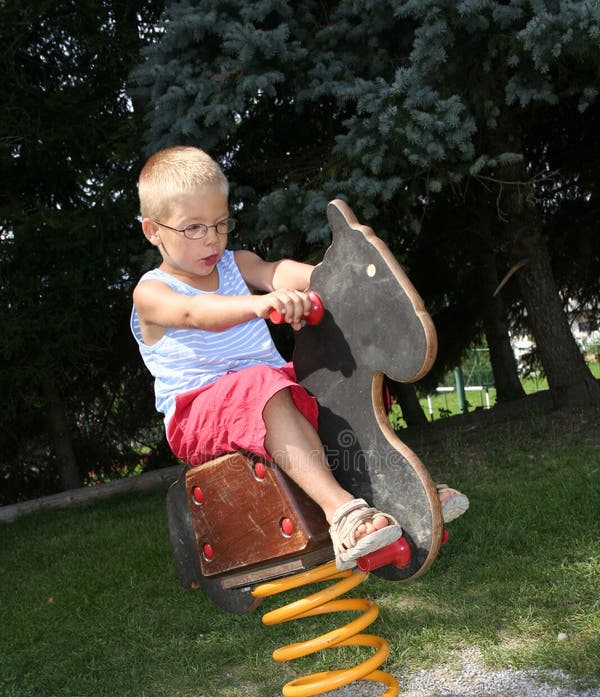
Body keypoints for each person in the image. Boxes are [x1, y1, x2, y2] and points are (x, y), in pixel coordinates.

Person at [131, 146, 468, 570]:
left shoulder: (237, 263)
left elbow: (278, 271)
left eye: (220, 224)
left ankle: (392, 489)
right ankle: (341, 514)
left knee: (338, 378)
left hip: (269, 389)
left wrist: (335, 281)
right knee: (263, 384)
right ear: (152, 231)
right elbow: (194, 314)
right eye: (193, 228)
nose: (212, 239)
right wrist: (258, 305)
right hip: (196, 413)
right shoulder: (151, 292)